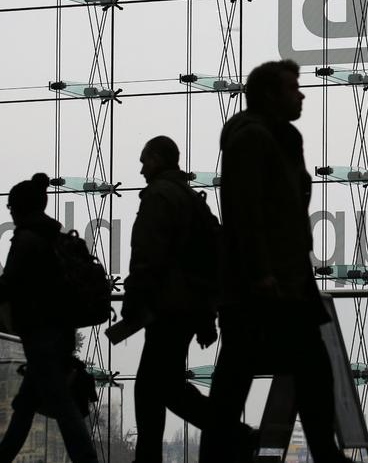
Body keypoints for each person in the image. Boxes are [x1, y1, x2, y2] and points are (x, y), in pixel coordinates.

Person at [200, 60, 348, 463]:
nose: (301, 94)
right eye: (292, 88)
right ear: (269, 94)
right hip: (265, 283)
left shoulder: (281, 138)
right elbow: (246, 212)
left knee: (249, 376)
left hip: (280, 279)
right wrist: (262, 273)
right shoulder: (253, 139)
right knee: (289, 371)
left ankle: (323, 453)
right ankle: (325, 453)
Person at [122, 135, 236, 463]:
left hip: (166, 307)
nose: (141, 168)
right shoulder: (192, 199)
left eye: (145, 160)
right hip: (187, 308)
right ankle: (235, 434)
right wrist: (205, 316)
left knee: (151, 390)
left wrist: (134, 301)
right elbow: (205, 260)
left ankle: (235, 435)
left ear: (157, 159)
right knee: (165, 386)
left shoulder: (159, 196)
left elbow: (148, 256)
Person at [0, 173, 99, 463]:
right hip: (56, 332)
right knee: (25, 405)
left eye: (11, 206)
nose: (9, 211)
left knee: (62, 406)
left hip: (41, 335)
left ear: (21, 208)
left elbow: (8, 285)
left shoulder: (27, 240)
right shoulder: (50, 236)